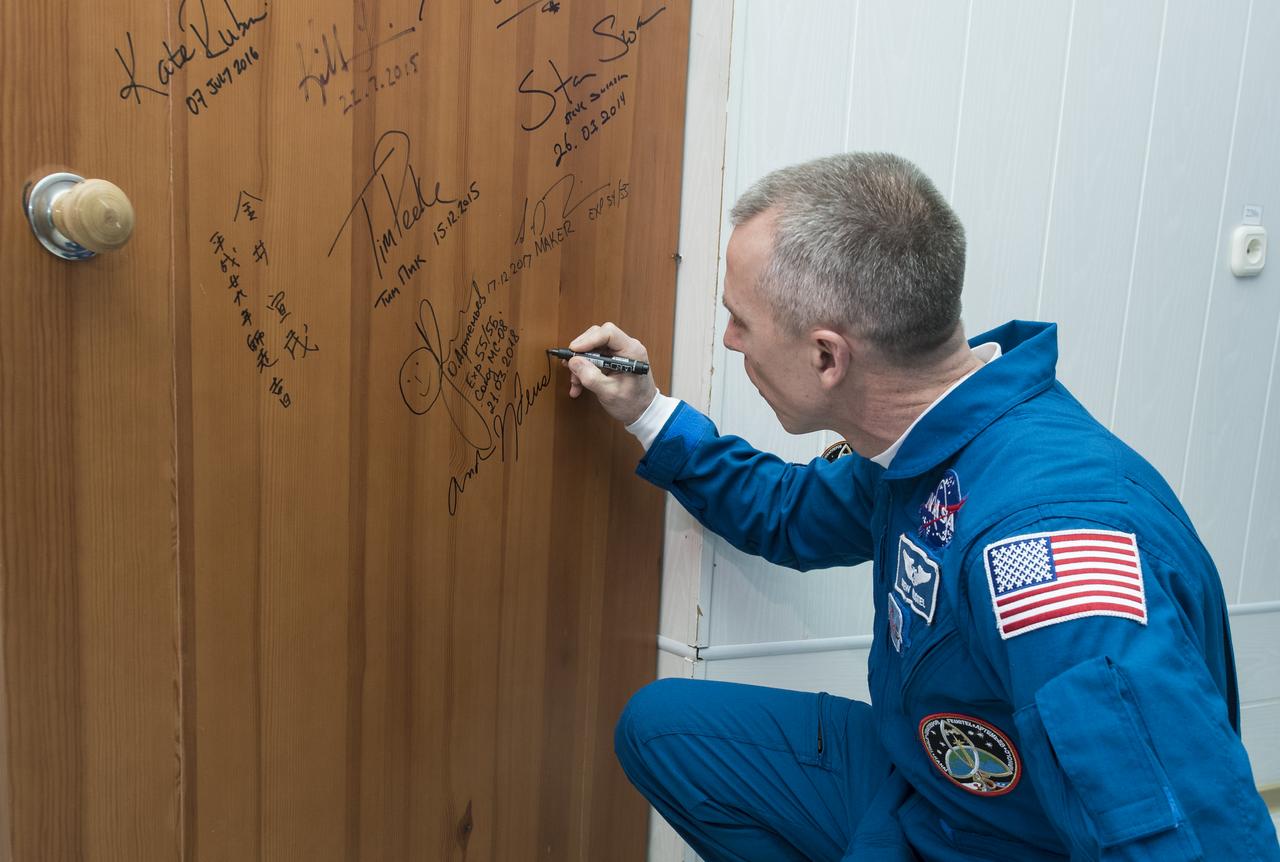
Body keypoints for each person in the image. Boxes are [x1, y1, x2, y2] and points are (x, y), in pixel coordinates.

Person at [562, 153, 1280, 861]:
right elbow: (790, 512)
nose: (729, 340)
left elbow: (1190, 842)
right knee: (664, 731)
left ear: (827, 357)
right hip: (930, 791)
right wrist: (647, 412)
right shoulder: (936, 438)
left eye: (741, 321)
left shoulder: (1047, 565)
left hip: (1005, 839)